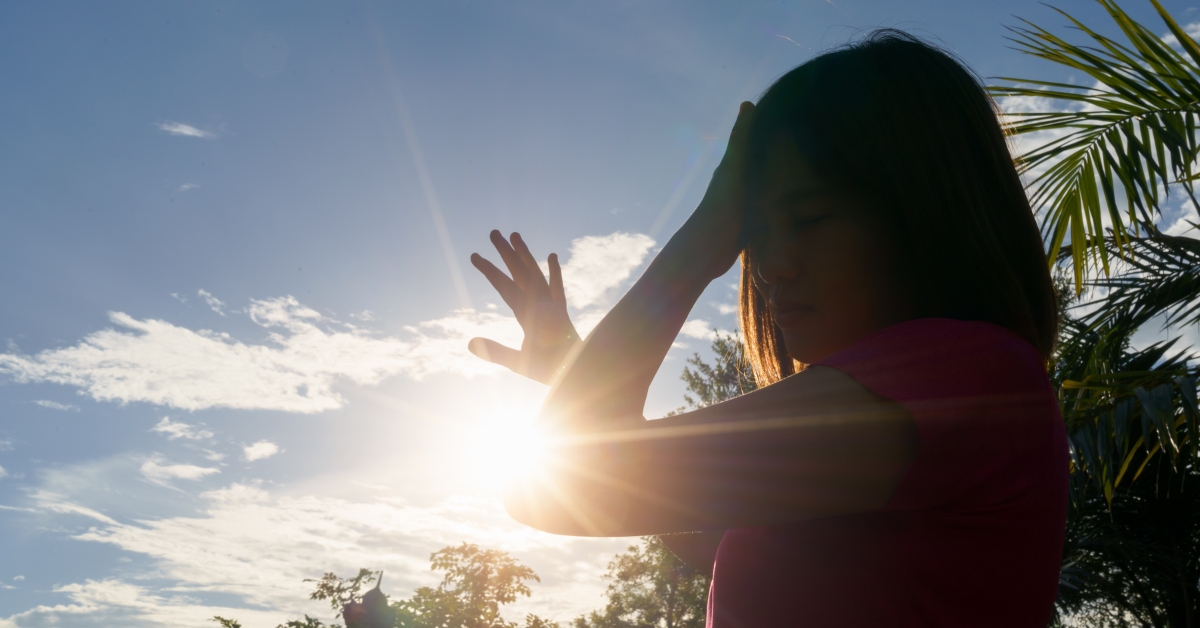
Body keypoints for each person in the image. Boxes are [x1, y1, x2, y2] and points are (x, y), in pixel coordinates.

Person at [467, 30, 1067, 627]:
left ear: (926, 207)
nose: (769, 266)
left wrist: (699, 244)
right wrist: (574, 374)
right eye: (754, 233)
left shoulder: (962, 374)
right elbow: (720, 540)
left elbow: (561, 490)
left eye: (808, 219)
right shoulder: (955, 387)